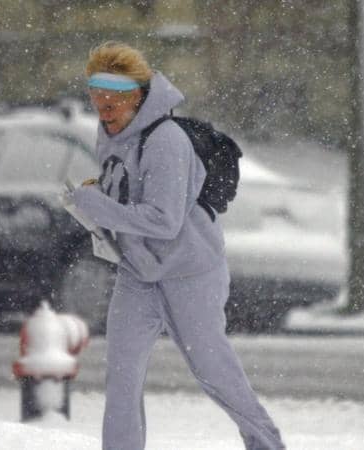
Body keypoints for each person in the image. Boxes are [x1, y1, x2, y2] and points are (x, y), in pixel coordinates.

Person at [70, 41, 285, 450]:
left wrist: (98, 206)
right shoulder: (109, 135)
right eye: (96, 96)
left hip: (190, 275)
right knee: (122, 379)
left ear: (136, 95)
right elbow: (127, 196)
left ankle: (266, 444)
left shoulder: (167, 140)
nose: (103, 107)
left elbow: (163, 221)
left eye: (112, 98)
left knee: (214, 373)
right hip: (137, 273)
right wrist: (100, 194)